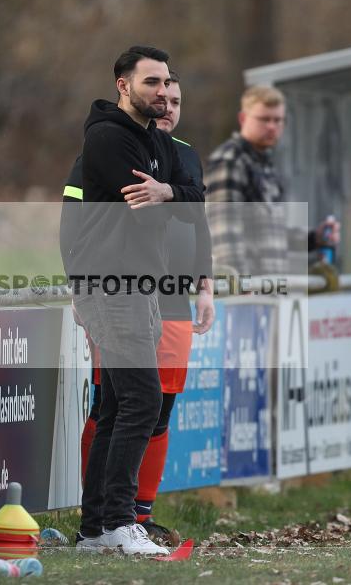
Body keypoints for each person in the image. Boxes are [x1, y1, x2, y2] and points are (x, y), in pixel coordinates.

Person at [62, 71, 214, 541]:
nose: (167, 105)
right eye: (160, 94)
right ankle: (111, 520)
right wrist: (77, 282)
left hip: (169, 297)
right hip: (117, 289)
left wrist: (205, 282)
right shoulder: (110, 148)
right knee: (122, 401)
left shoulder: (182, 154)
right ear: (129, 89)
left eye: (176, 100)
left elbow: (197, 217)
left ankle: (132, 516)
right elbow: (74, 220)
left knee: (155, 405)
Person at [204, 85, 339, 278]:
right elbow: (223, 233)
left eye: (278, 120)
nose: (272, 126)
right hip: (247, 289)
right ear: (243, 119)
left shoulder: (266, 164)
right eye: (264, 119)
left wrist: (314, 238)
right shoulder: (230, 160)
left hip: (270, 288)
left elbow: (272, 235)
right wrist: (240, 286)